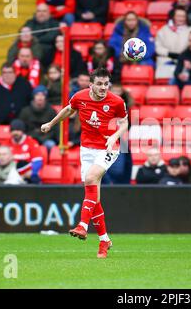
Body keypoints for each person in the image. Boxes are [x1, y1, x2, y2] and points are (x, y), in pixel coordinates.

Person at [41, 68, 128, 258]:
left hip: (108, 148)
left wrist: (114, 136)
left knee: (90, 178)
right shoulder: (80, 97)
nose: (103, 87)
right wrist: (50, 123)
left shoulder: (117, 101)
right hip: (87, 148)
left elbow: (124, 123)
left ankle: (82, 225)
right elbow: (67, 110)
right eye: (99, 84)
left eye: (106, 84)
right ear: (91, 85)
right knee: (94, 197)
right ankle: (104, 240)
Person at [155, 7, 191, 81]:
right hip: (165, 59)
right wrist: (168, 53)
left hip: (184, 61)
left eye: (183, 16)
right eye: (178, 16)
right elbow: (157, 47)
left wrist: (183, 56)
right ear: (173, 17)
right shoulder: (163, 30)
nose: (181, 19)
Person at [2, 119, 44, 184]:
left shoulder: (31, 142)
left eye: (18, 130)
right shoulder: (5, 143)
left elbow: (37, 161)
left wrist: (33, 173)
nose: (15, 132)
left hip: (26, 175)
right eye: (13, 130)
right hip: (8, 173)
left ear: (23, 131)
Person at [18, 85, 58, 152]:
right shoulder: (25, 111)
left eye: (42, 95)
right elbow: (22, 128)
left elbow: (54, 129)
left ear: (45, 97)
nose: (40, 97)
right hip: (29, 138)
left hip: (46, 139)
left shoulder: (51, 111)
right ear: (34, 96)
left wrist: (43, 138)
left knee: (51, 145)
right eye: (37, 95)